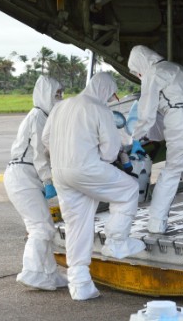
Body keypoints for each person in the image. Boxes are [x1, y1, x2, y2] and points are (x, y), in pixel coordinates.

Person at [42, 72, 144, 301]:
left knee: (77, 225)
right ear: (105, 90)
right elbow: (109, 151)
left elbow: (46, 139)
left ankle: (80, 285)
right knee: (128, 190)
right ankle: (117, 241)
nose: (110, 99)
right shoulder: (99, 109)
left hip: (60, 172)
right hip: (86, 168)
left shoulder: (61, 106)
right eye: (110, 95)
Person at [128, 45, 183, 234]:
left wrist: (136, 138)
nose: (139, 76)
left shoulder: (153, 73)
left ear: (141, 63)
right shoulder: (178, 69)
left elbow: (147, 111)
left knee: (172, 170)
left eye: (137, 73)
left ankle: (156, 223)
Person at [3, 75, 67, 291]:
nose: (59, 98)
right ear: (45, 95)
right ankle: (31, 272)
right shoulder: (38, 116)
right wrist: (48, 181)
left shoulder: (45, 117)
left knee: (44, 226)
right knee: (40, 227)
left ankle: (49, 273)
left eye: (60, 94)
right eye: (55, 94)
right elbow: (40, 154)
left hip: (28, 176)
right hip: (23, 176)